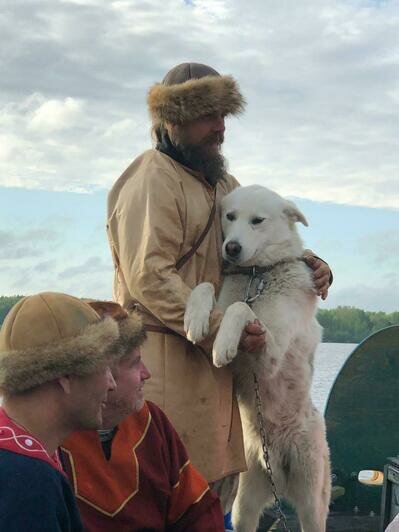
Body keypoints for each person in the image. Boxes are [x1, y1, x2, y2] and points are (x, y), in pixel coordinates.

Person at [106, 62, 332, 506]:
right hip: (164, 366)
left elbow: (264, 234)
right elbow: (149, 276)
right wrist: (217, 323)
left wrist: (311, 262)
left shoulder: (221, 182)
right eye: (208, 116)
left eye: (224, 115)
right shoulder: (152, 177)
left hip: (213, 371)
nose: (220, 128)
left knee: (209, 498)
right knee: (165, 493)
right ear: (172, 120)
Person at [61, 300, 225, 531]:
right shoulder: (52, 438)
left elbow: (197, 511)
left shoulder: (151, 421)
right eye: (135, 363)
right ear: (100, 373)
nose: (147, 374)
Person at [0, 291, 124, 531]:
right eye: (104, 367)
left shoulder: (20, 460)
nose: (112, 383)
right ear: (66, 373)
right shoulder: (27, 483)